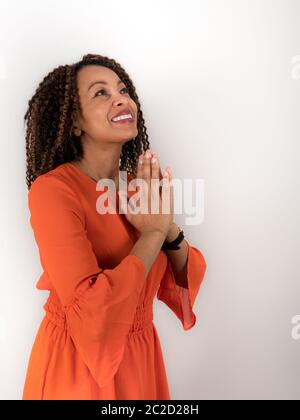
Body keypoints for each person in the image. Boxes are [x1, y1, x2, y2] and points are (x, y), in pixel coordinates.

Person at [22, 53, 207, 400]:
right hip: (79, 369)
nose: (122, 98)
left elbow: (180, 285)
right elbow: (92, 312)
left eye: (123, 89)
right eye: (101, 93)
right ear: (74, 121)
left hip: (141, 362)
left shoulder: (138, 188)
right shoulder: (53, 192)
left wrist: (167, 230)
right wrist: (152, 232)